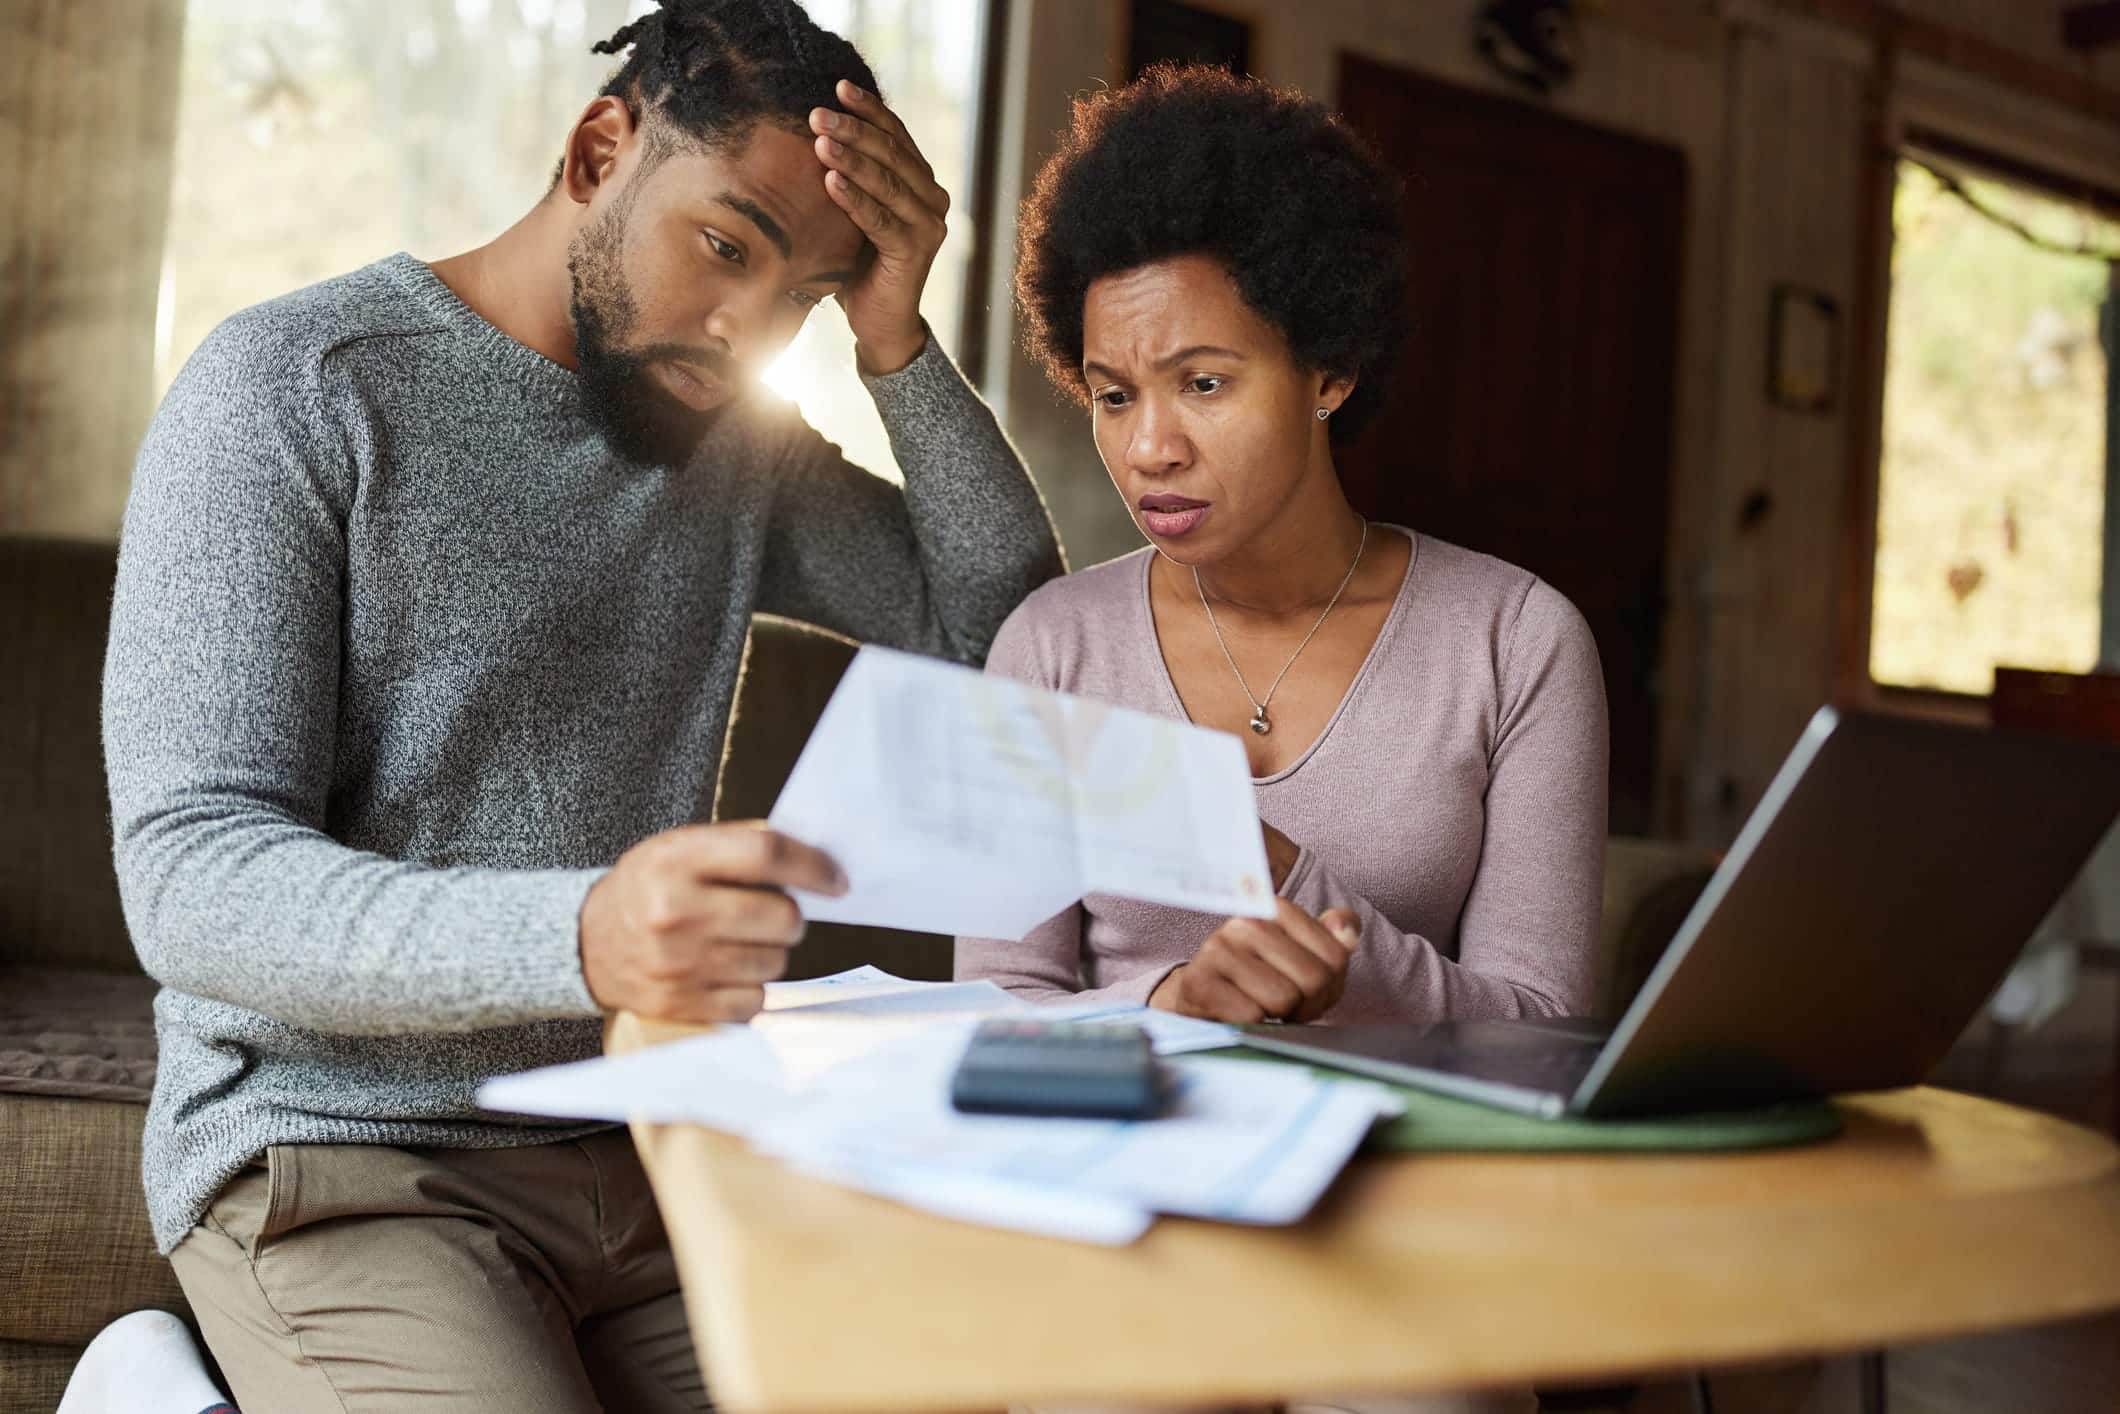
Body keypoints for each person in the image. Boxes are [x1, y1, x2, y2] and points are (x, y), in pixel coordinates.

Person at [99, 2, 1060, 1410]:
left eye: (801, 295)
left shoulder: (732, 441)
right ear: (600, 147)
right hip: (347, 1153)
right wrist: (587, 931)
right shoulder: (292, 389)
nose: (749, 330)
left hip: (648, 1137)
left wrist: (898, 343)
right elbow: (191, 877)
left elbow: (1010, 639)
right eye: (727, 246)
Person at [957, 63, 1606, 1037]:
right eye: (1113, 394)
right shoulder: (1051, 648)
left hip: (1412, 1167)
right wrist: (1173, 1002)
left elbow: (1544, 1029)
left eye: (1204, 384)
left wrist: (1283, 888)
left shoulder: (1514, 643)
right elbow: (991, 1010)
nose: (1148, 448)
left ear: (1329, 372)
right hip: (1113, 1156)